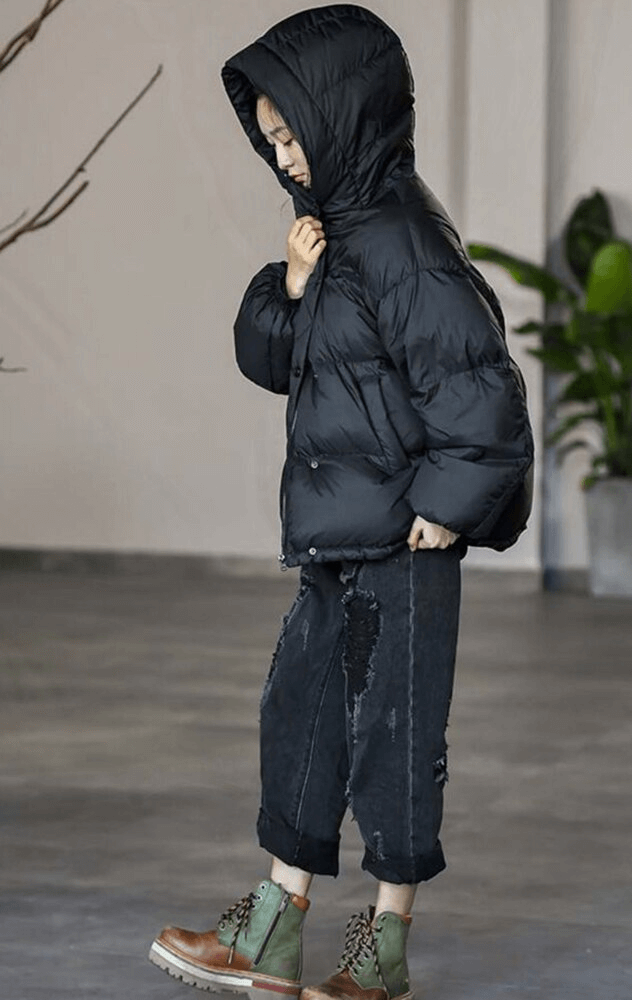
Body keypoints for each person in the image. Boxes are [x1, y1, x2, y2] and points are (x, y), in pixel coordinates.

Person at [148, 5, 533, 999]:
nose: (285, 156)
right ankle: (275, 928)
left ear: (345, 121)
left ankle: (384, 950)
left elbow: (482, 387)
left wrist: (447, 506)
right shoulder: (335, 240)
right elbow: (279, 363)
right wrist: (288, 282)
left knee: (393, 741)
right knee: (302, 716)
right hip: (334, 541)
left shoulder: (406, 245)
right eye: (271, 138)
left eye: (295, 135)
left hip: (402, 544)